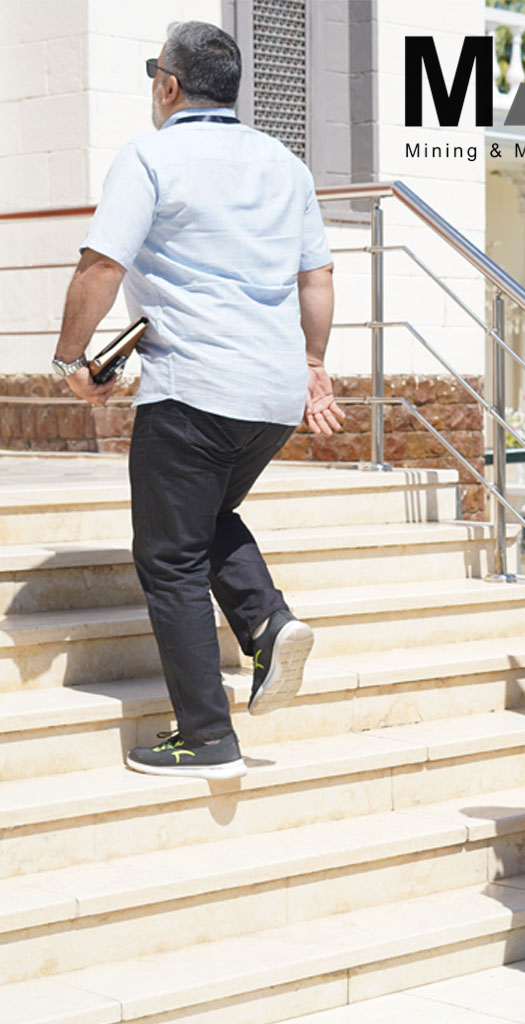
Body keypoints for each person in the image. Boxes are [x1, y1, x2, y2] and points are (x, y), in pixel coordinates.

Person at [50, 21, 343, 781]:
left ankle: (206, 736)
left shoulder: (151, 156)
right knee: (202, 517)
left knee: (169, 557)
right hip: (272, 395)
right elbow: (316, 277)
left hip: (193, 389)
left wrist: (71, 361)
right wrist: (313, 363)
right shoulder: (285, 164)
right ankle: (267, 621)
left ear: (169, 85)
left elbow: (100, 266)